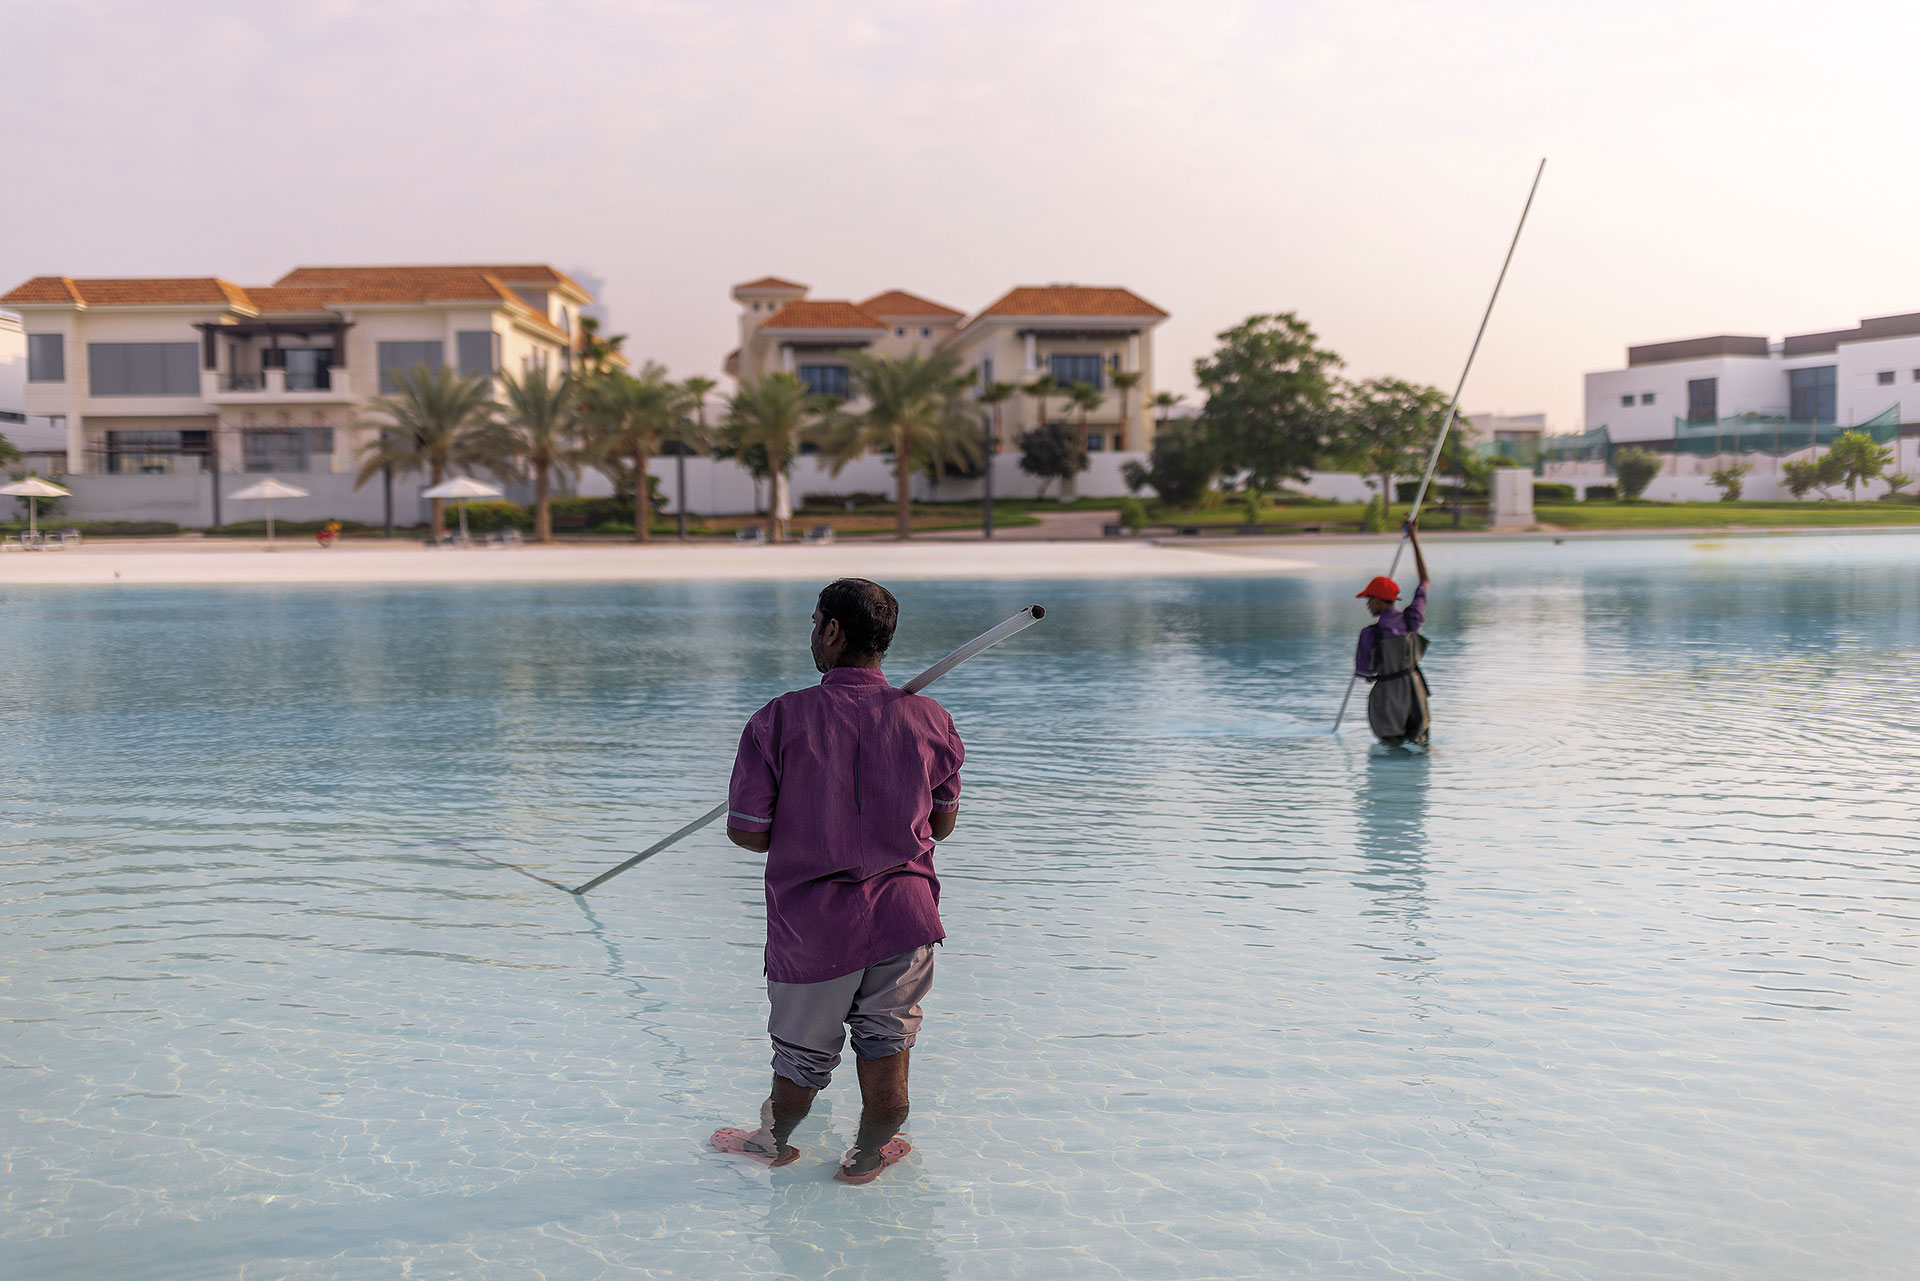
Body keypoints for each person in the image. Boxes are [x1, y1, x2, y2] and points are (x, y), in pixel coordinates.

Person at [710, 578, 964, 1185]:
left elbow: (747, 833)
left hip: (816, 926)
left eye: (814, 622)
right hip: (905, 917)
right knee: (888, 1046)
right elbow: (943, 824)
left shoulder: (777, 720)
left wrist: (806, 815)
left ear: (831, 630)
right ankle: (866, 1159)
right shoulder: (931, 718)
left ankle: (771, 1144)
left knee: (799, 1059)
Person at [1355, 519, 1432, 747]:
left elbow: (1366, 674)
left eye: (1370, 599)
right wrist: (1415, 539)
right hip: (1415, 690)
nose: (1368, 604)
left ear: (1378, 601)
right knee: (1420, 743)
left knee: (1390, 748)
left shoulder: (1370, 634)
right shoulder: (1412, 619)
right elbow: (1425, 581)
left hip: (1387, 695)